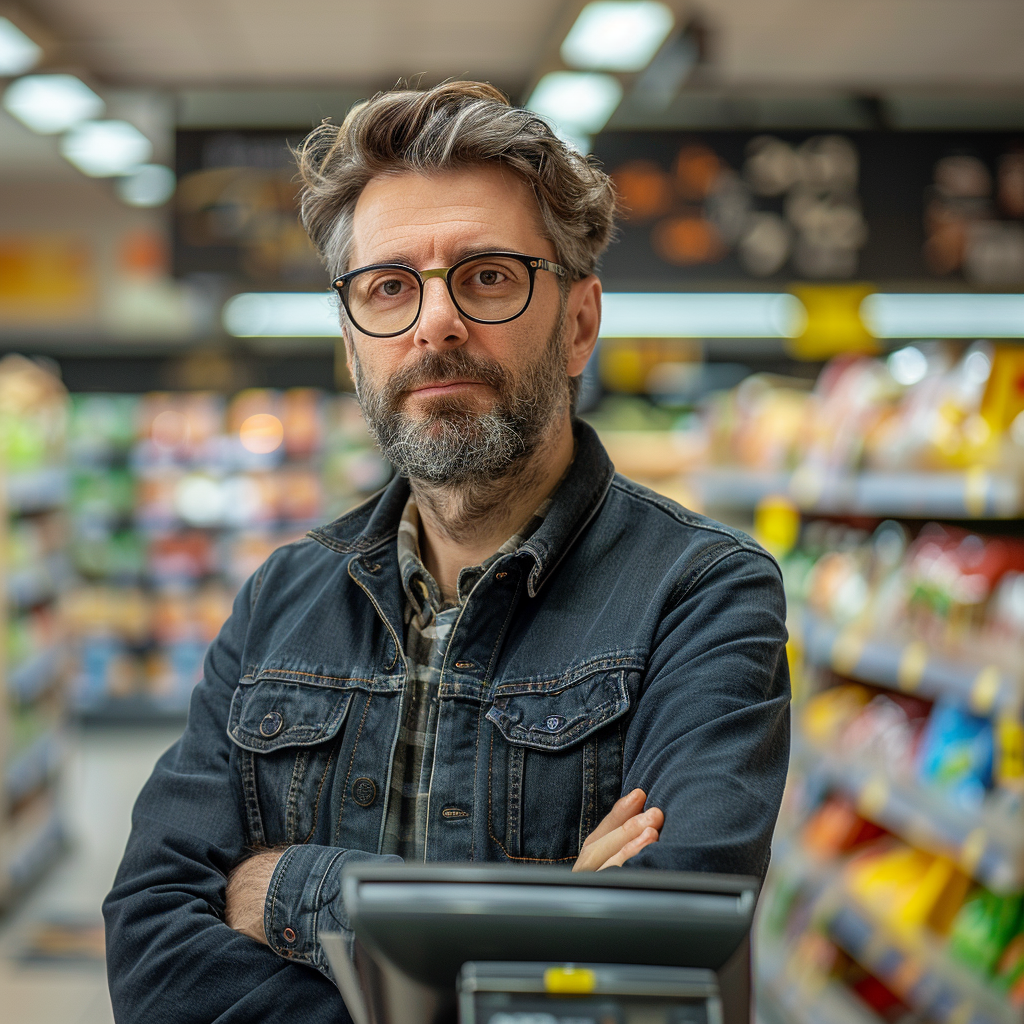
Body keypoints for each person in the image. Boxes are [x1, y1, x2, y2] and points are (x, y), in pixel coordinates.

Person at [104, 81, 790, 1024]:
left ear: (579, 322)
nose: (435, 323)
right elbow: (152, 953)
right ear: (354, 342)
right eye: (389, 286)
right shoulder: (283, 596)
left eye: (489, 275)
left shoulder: (703, 595)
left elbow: (656, 975)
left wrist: (293, 889)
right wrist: (552, 925)